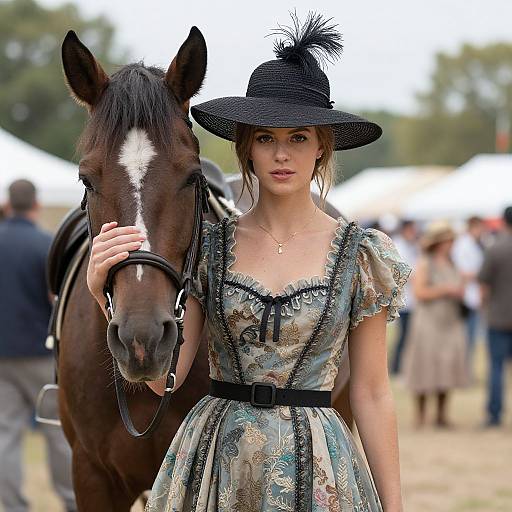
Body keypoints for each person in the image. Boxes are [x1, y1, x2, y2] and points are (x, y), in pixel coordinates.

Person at [86, 13, 411, 511]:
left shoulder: (360, 255)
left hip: (319, 468)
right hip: (218, 465)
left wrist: (394, 506)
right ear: (246, 148)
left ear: (322, 147)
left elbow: (371, 393)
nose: (282, 155)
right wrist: (102, 293)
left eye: (298, 138)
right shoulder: (209, 250)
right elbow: (159, 380)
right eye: (266, 138)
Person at [0, 180, 76, 512]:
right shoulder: (46, 245)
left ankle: (14, 506)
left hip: (1, 355)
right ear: (35, 204)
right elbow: (56, 300)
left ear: (8, 204)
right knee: (56, 433)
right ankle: (71, 502)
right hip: (40, 355)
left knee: (5, 436)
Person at [402, 221, 468, 428]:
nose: (451, 244)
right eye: (448, 240)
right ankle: (420, 415)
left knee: (446, 366)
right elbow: (420, 292)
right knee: (425, 366)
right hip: (428, 322)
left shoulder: (452, 262)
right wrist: (446, 289)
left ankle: (441, 415)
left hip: (449, 321)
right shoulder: (425, 263)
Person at [478, 206, 512, 427]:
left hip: (499, 317)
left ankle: (494, 414)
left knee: (497, 368)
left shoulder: (495, 248)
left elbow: (483, 285)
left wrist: (484, 308)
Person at [452, 216, 485, 375]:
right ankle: (463, 372)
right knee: (465, 338)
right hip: (465, 298)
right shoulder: (463, 245)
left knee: (470, 338)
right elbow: (461, 271)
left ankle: (466, 372)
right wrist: (481, 275)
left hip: (472, 297)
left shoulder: (473, 245)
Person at [391, 220, 419, 374]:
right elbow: (402, 272)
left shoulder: (410, 246)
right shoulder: (399, 246)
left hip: (411, 299)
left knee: (408, 336)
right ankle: (397, 366)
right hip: (405, 300)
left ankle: (401, 366)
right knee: (404, 336)